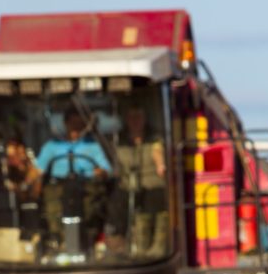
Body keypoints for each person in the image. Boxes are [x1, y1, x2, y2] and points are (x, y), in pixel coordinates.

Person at [34, 106, 112, 250]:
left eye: (80, 123)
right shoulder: (52, 146)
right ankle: (59, 241)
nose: (76, 127)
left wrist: (101, 172)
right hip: (58, 188)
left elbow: (107, 170)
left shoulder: (93, 146)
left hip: (86, 188)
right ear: (65, 123)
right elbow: (37, 171)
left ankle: (88, 242)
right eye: (73, 123)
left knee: (91, 209)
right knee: (53, 209)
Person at [111, 105, 168, 258]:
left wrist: (161, 164)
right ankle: (127, 246)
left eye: (139, 116)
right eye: (132, 117)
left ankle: (157, 247)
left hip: (153, 183)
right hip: (128, 186)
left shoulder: (155, 138)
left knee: (156, 199)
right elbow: (114, 166)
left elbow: (158, 152)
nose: (136, 121)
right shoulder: (119, 141)